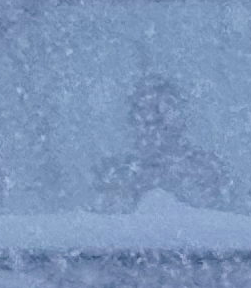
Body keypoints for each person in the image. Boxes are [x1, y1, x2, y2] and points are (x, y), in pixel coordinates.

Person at [97, 70, 232, 211]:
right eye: (149, 122)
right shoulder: (120, 175)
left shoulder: (207, 170)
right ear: (133, 125)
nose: (156, 130)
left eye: (161, 118)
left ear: (181, 122)